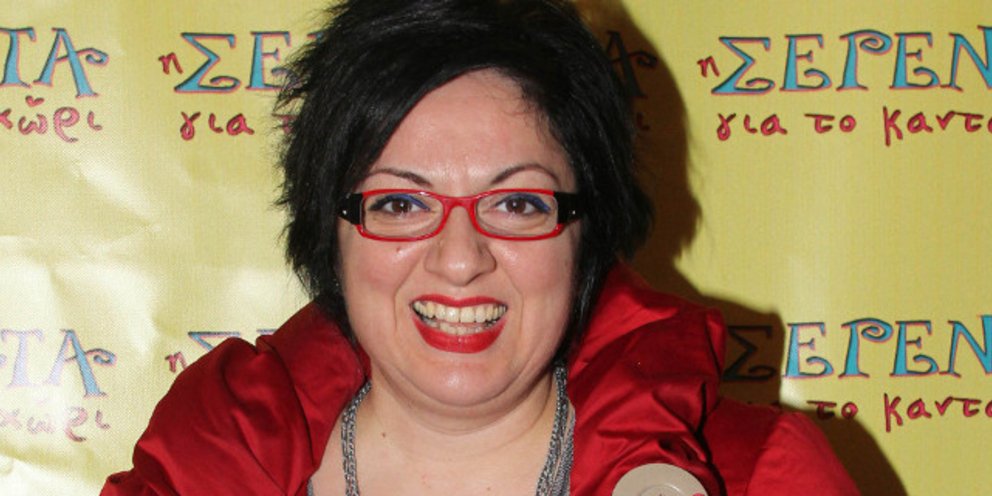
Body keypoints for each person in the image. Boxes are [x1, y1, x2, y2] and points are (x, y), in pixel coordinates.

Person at [103, 0, 859, 494]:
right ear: (329, 233)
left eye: (518, 203)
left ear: (586, 231)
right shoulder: (197, 473)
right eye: (401, 204)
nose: (460, 257)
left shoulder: (756, 477)